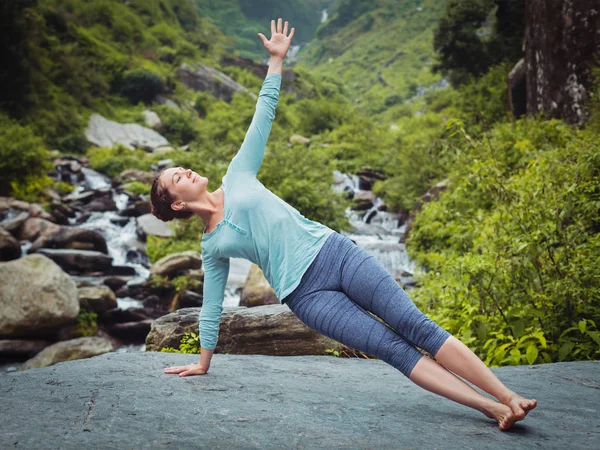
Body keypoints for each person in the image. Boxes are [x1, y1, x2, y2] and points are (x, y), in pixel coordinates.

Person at [151, 18, 537, 431]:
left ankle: (507, 394)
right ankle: (491, 409)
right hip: (307, 296)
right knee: (393, 349)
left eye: (182, 167)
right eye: (178, 177)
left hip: (335, 252)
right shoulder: (212, 246)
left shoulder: (237, 173)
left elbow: (263, 114)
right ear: (177, 202)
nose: (186, 171)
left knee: (416, 326)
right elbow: (212, 306)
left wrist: (276, 62)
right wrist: (202, 363)